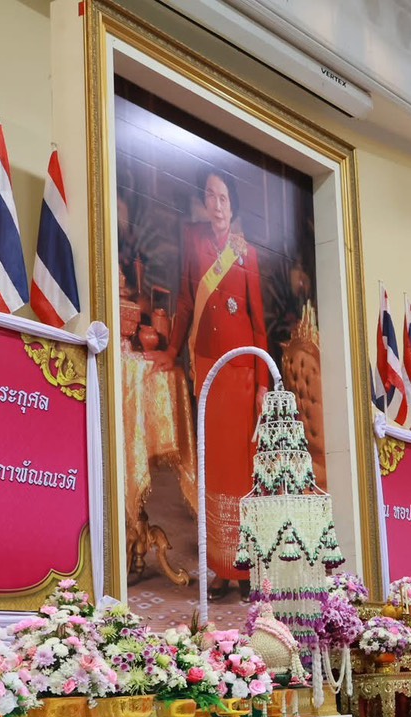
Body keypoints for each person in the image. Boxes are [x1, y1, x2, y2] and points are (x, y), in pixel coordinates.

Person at [160, 167, 271, 598]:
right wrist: (172, 351)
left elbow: (258, 325)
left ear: (233, 204)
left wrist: (262, 384)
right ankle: (220, 569)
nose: (217, 205)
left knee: (241, 473)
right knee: (214, 474)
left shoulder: (249, 255)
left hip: (242, 377)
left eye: (223, 198)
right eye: (210, 196)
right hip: (209, 371)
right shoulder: (196, 245)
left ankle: (244, 569)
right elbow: (187, 301)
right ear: (204, 202)